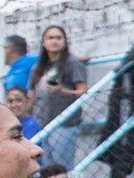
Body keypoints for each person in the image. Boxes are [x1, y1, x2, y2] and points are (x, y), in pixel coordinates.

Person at [26, 25, 89, 169]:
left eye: (58, 38)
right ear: (44, 42)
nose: (54, 41)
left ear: (65, 42)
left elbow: (83, 91)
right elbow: (31, 95)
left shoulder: (73, 63)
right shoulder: (38, 67)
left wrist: (62, 91)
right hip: (41, 125)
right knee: (46, 171)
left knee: (61, 169)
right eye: (50, 38)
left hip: (64, 124)